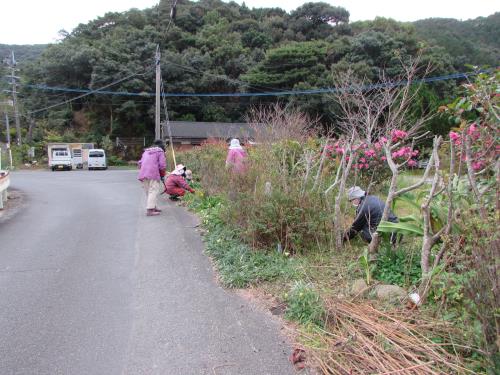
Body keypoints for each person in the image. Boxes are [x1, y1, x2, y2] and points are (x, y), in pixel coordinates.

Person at [138, 139, 167, 216]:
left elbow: (140, 163)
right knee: (153, 191)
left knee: (149, 191)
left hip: (143, 174)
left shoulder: (146, 151)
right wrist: (162, 175)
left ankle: (153, 206)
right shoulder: (160, 151)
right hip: (153, 173)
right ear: (162, 146)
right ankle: (150, 210)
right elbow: (162, 165)